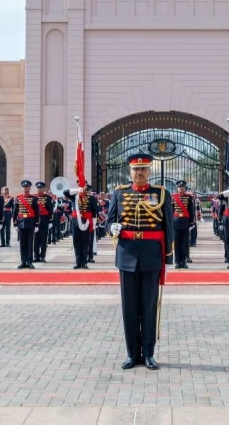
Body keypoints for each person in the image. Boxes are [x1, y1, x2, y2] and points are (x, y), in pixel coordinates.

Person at [105, 153, 174, 371]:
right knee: (130, 308)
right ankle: (131, 354)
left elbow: (168, 226)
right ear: (130, 171)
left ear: (149, 171)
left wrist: (168, 256)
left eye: (143, 169)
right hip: (127, 255)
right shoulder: (119, 193)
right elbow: (109, 222)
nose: (139, 172)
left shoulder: (160, 194)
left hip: (152, 255)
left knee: (149, 306)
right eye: (136, 169)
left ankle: (149, 353)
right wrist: (111, 229)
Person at [64, 185, 98, 269]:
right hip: (76, 221)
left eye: (87, 189)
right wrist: (77, 190)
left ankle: (84, 262)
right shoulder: (75, 197)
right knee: (76, 242)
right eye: (84, 189)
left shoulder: (91, 198)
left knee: (86, 243)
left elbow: (94, 212)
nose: (85, 190)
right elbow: (65, 192)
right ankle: (78, 262)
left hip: (86, 221)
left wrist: (93, 225)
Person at [13, 180, 38, 269]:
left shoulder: (34, 198)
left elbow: (37, 212)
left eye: (27, 187)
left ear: (30, 188)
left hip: (30, 222)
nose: (25, 188)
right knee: (22, 244)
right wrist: (15, 224)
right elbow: (15, 211)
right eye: (24, 187)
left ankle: (30, 261)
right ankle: (23, 261)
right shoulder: (18, 198)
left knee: (30, 243)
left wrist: (37, 224)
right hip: (21, 223)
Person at [172, 181, 195, 268]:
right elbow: (171, 210)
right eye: (180, 187)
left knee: (185, 243)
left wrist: (191, 221)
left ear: (185, 188)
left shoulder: (189, 198)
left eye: (183, 187)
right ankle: (177, 261)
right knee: (177, 243)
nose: (181, 188)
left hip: (185, 222)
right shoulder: (173, 197)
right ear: (177, 188)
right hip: (176, 222)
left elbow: (191, 210)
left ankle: (184, 261)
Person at [34, 182, 54, 263]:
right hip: (35, 222)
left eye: (41, 188)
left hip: (45, 221)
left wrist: (50, 221)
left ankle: (42, 256)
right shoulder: (33, 197)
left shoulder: (48, 198)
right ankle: (36, 256)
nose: (39, 189)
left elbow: (50, 209)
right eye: (38, 188)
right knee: (35, 240)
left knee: (43, 240)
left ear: (43, 189)